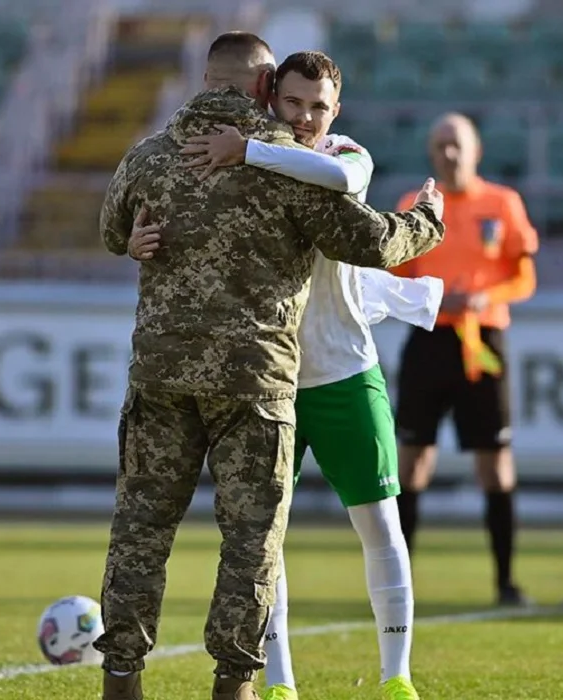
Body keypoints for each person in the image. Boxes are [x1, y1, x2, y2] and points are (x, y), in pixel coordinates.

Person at [94, 32, 445, 700]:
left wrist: (134, 242)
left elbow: (112, 231)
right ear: (264, 87)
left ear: (206, 78)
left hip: (161, 376)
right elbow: (371, 241)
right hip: (253, 383)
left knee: (140, 531)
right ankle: (235, 685)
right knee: (250, 540)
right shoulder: (286, 164)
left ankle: (121, 678)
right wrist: (428, 219)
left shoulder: (148, 154)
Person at [390, 113, 539, 607]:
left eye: (457, 144)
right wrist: (435, 299)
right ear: (431, 153)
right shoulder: (414, 205)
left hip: (483, 343)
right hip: (429, 341)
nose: (449, 154)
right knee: (412, 462)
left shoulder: (503, 203)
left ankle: (506, 582)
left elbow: (524, 278)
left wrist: (483, 297)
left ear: (477, 150)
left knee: (495, 463)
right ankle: (400, 583)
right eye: (440, 145)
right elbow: (396, 282)